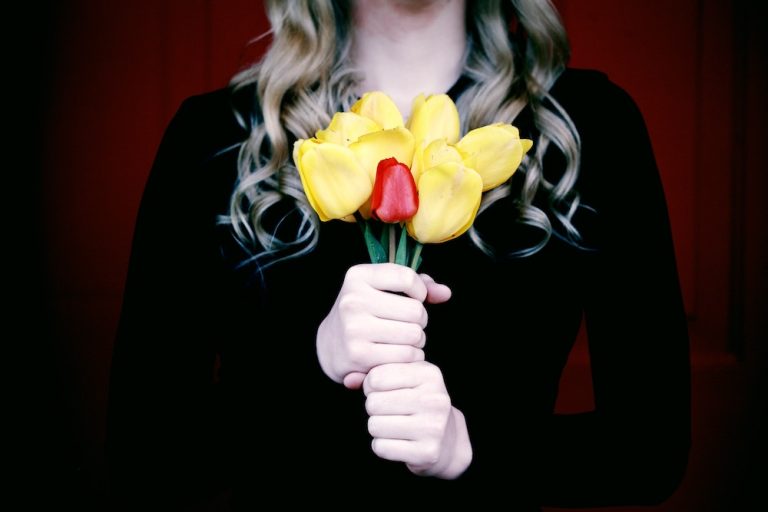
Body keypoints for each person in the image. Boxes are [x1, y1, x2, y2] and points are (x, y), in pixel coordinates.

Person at [106, 0, 691, 510]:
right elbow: (144, 460)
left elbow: (650, 454)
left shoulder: (588, 128)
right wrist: (312, 363)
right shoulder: (217, 138)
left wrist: (472, 449)